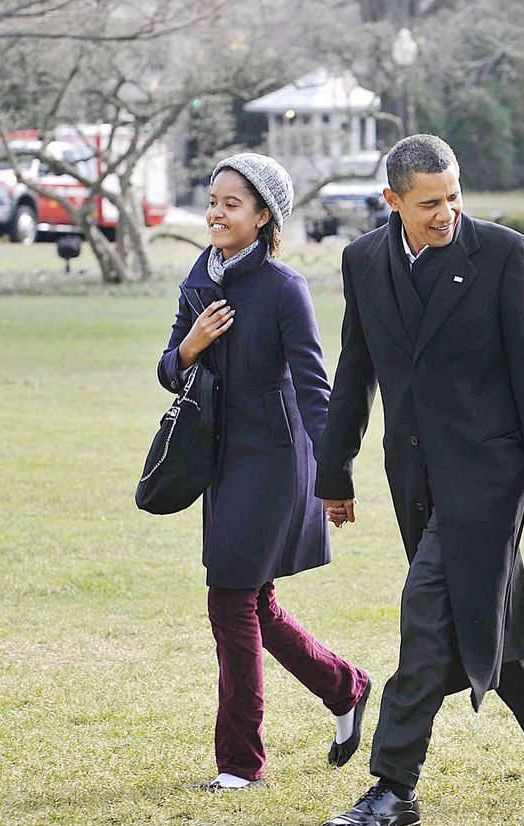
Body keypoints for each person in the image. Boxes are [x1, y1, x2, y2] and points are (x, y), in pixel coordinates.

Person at [314, 134, 524, 826]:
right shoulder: (361, 261)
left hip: (491, 475)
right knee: (479, 612)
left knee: (429, 612)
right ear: (392, 201)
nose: (446, 213)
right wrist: (334, 470)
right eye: (428, 203)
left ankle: (393, 787)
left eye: (454, 196)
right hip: (413, 475)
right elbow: (356, 371)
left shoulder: (504, 255)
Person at [156, 153, 371, 792]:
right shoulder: (199, 277)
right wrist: (191, 344)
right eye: (213, 200)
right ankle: (346, 687)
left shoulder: (284, 287)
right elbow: (169, 370)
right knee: (254, 601)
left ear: (263, 215)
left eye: (231, 203)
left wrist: (333, 471)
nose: (215, 213)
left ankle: (240, 764)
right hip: (219, 460)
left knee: (229, 598)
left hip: (277, 461)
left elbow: (313, 386)